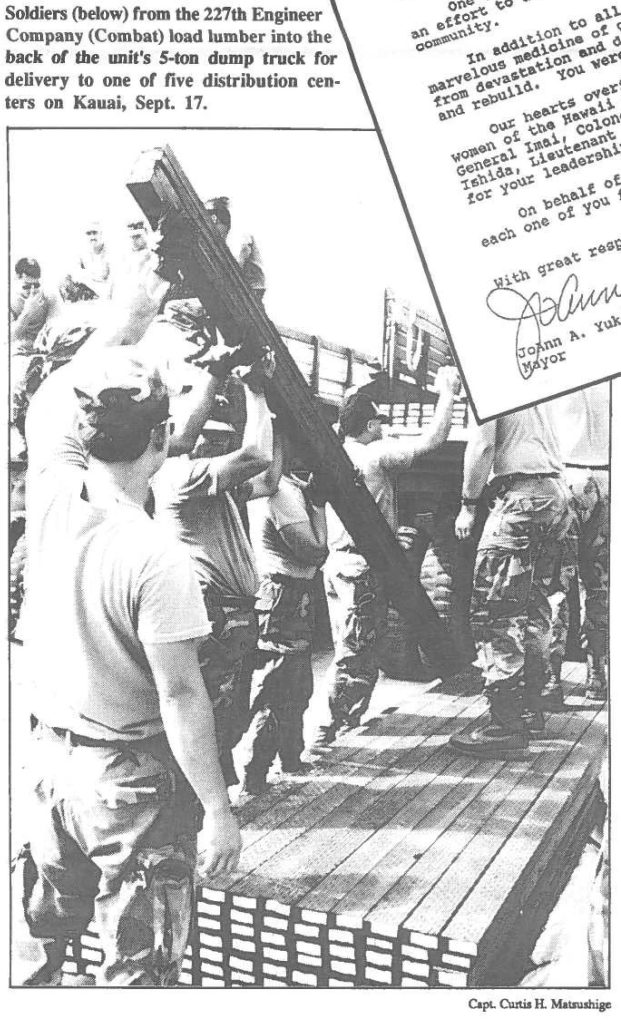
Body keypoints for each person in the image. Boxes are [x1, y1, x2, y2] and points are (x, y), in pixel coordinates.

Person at [14, 290, 241, 986]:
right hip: (126, 788)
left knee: (43, 932)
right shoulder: (158, 558)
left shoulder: (51, 492)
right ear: (163, 438)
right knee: (138, 976)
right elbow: (179, 695)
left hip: (50, 770)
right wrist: (216, 811)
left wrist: (133, 315)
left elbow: (49, 394)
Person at [313, 366, 461, 747]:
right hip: (363, 566)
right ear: (367, 426)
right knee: (359, 654)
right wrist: (448, 393)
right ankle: (335, 731)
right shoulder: (375, 456)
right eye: (380, 421)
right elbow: (433, 441)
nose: (384, 427)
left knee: (345, 646)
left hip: (337, 562)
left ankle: (334, 725)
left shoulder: (339, 453)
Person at [153, 354, 275, 789]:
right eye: (212, 438)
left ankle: (208, 794)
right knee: (211, 715)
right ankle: (199, 803)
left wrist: (277, 420)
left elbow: (267, 481)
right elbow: (256, 455)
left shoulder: (210, 486)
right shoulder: (177, 477)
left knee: (228, 713)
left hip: (231, 614)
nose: (219, 447)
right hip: (216, 614)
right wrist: (258, 392)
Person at [451, 404, 574, 758]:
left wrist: (469, 504)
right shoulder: (528, 382)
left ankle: (505, 725)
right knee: (534, 606)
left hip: (520, 500)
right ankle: (530, 710)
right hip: (553, 496)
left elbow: (483, 445)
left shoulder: (488, 382)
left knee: (495, 611)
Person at [242, 431, 328, 793]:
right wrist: (320, 509)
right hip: (284, 594)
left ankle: (288, 757)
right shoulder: (282, 493)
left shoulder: (284, 488)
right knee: (280, 687)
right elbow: (313, 551)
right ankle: (257, 773)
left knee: (296, 684)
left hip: (289, 593)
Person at [543, 384, 610, 707]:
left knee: (558, 584)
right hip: (609, 477)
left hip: (568, 478)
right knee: (599, 585)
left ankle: (552, 677)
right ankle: (597, 673)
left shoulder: (562, 375)